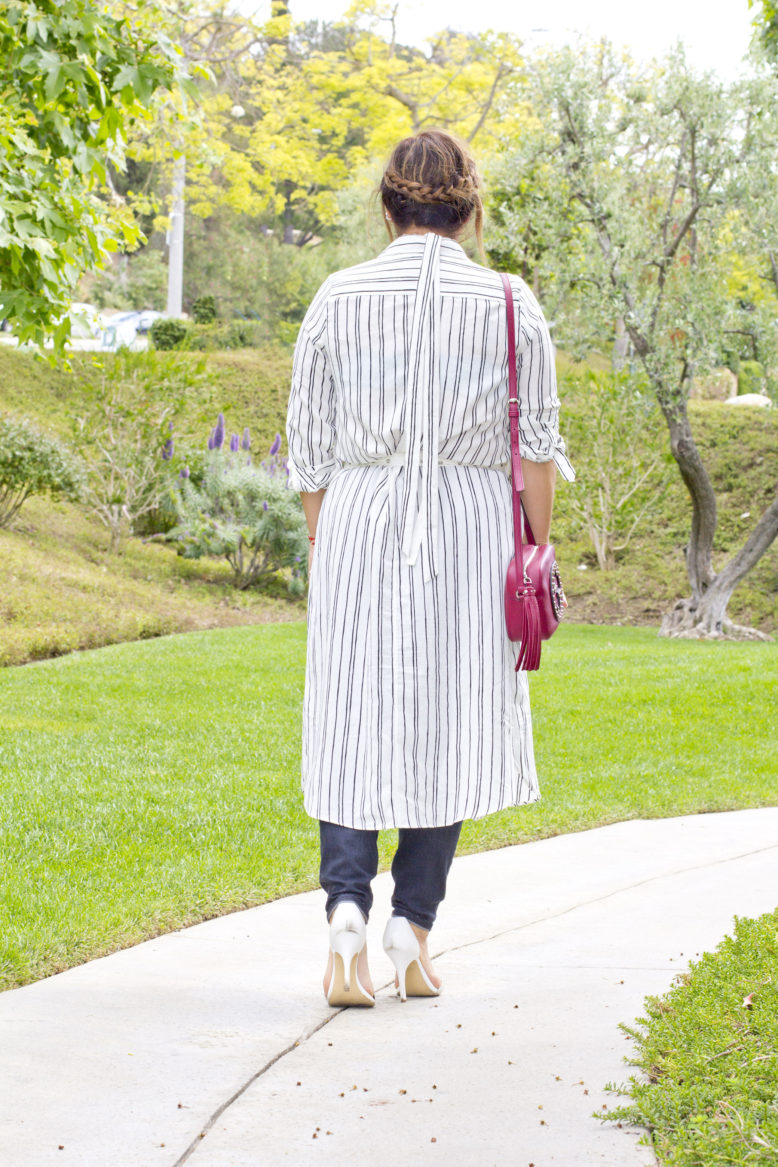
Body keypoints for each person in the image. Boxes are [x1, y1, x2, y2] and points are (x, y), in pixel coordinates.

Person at [285, 129, 574, 1007]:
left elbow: (309, 452)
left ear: (387, 206)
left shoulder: (337, 298)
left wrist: (324, 545)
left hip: (356, 524)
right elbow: (534, 450)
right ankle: (410, 926)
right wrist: (533, 540)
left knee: (350, 717)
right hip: (470, 530)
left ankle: (344, 910)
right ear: (469, 208)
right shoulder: (509, 303)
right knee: (449, 721)